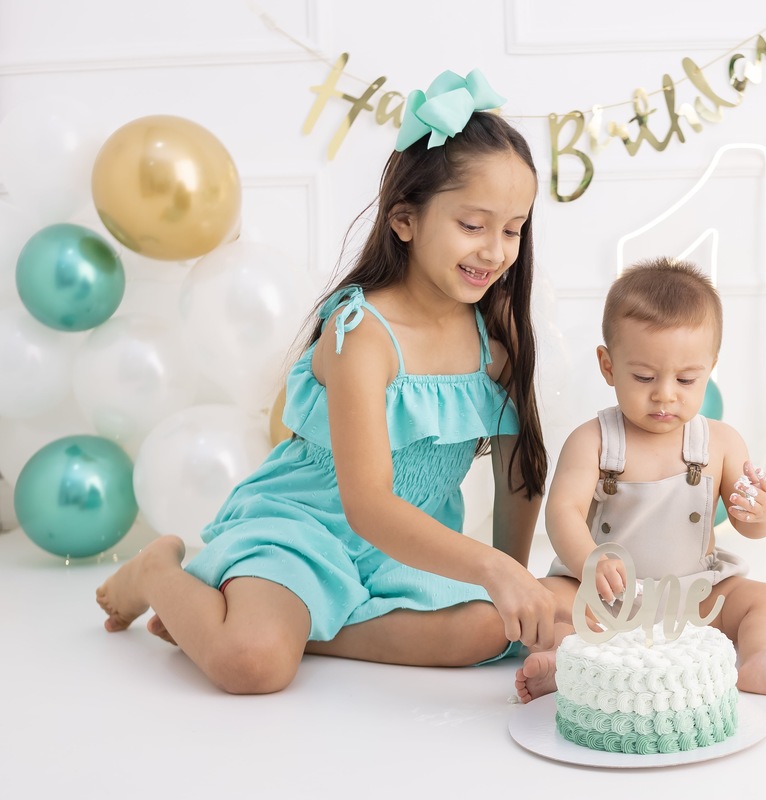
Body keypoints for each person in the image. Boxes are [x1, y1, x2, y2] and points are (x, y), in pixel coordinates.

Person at [96, 69, 561, 694]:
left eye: (513, 229)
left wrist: (515, 578)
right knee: (252, 664)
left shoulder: (496, 339)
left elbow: (517, 473)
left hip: (401, 556)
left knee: (491, 632)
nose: (496, 251)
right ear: (405, 220)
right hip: (302, 533)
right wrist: (491, 570)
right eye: (473, 226)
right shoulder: (363, 332)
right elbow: (367, 505)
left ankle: (299, 626)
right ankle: (160, 573)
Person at [514, 257, 766, 703]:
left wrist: (763, 513)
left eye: (685, 379)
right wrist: (589, 561)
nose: (665, 394)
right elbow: (562, 512)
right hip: (604, 595)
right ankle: (566, 661)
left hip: (693, 596)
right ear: (608, 365)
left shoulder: (721, 442)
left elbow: (750, 526)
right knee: (545, 600)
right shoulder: (593, 441)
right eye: (644, 376)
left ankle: (762, 659)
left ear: (710, 368)